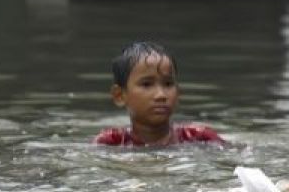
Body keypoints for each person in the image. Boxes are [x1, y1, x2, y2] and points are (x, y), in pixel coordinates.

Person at [94, 41, 226, 147]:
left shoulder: (200, 138)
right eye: (146, 84)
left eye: (168, 84)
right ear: (120, 96)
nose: (161, 95)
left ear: (178, 92)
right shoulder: (110, 143)